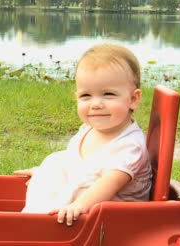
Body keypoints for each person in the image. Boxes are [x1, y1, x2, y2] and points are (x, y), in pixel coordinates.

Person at [15, 44, 152, 226]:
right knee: (56, 161)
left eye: (108, 94)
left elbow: (109, 184)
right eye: (86, 96)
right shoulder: (88, 130)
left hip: (113, 221)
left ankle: (32, 227)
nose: (95, 104)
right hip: (90, 211)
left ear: (133, 99)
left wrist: (79, 205)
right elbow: (74, 164)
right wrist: (46, 173)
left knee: (72, 181)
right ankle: (29, 223)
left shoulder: (129, 145)